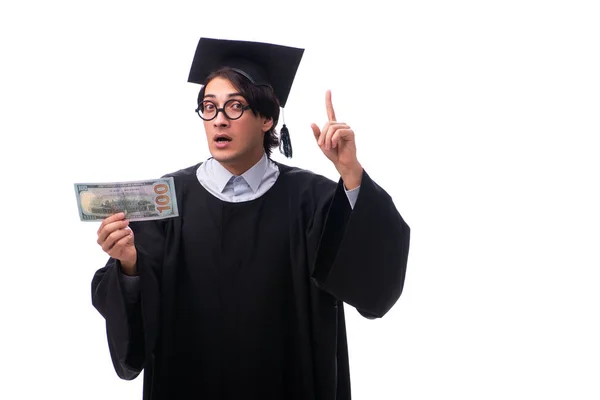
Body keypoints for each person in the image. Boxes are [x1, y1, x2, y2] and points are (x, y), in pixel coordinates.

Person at [91, 37, 410, 400]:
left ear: (267, 119)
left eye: (235, 107)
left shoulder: (313, 200)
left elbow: (372, 288)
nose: (219, 120)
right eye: (209, 108)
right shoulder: (166, 201)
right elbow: (133, 329)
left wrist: (352, 175)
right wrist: (129, 266)